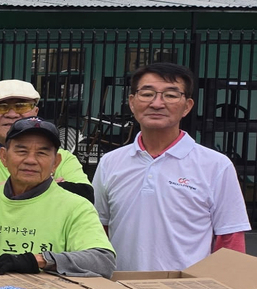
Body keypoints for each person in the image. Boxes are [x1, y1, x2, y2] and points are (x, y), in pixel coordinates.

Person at [95, 62, 250, 272]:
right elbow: (97, 229)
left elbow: (230, 239)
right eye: (147, 93)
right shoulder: (110, 162)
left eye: (170, 95)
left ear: (187, 106)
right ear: (132, 102)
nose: (157, 103)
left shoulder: (216, 165)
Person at [0, 117, 115, 278]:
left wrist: (41, 260)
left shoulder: (76, 207)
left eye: (42, 153)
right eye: (21, 151)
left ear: (55, 163)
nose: (30, 160)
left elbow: (103, 261)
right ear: (4, 157)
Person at [0, 79, 93, 199]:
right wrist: (46, 185)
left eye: (21, 106)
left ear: (35, 112)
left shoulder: (62, 157)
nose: (12, 114)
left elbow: (84, 196)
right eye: (0, 107)